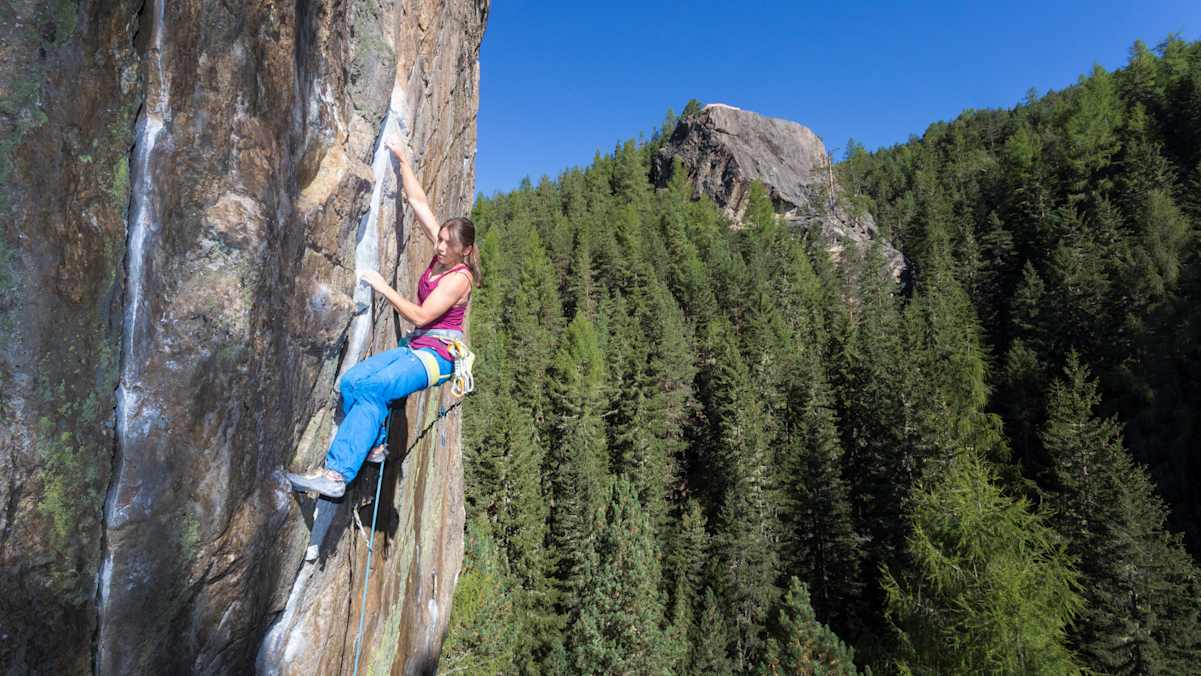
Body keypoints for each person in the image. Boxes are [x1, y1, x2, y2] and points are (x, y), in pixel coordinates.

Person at [287, 140, 480, 498]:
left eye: (447, 245)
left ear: (464, 250)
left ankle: (336, 476)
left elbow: (422, 314)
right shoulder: (444, 255)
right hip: (417, 347)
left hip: (436, 358)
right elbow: (418, 202)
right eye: (438, 240)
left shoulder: (459, 278)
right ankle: (374, 447)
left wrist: (381, 286)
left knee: (375, 389)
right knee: (352, 382)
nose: (438, 247)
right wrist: (404, 161)